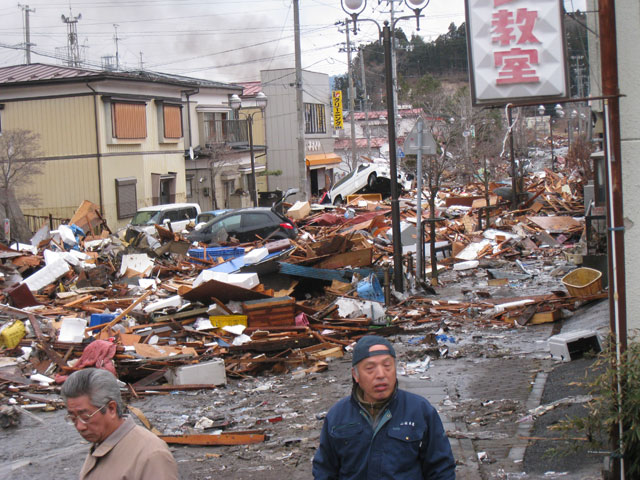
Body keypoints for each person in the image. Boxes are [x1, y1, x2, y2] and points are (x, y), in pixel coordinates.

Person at [312, 335, 456, 479]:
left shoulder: (419, 410)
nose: (381, 375)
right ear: (355, 375)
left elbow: (441, 468)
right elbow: (324, 470)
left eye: (387, 366)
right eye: (370, 368)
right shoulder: (337, 416)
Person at [61, 368, 179, 480]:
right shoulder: (101, 444)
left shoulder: (151, 456)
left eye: (86, 417)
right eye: (73, 417)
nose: (80, 426)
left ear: (111, 408)